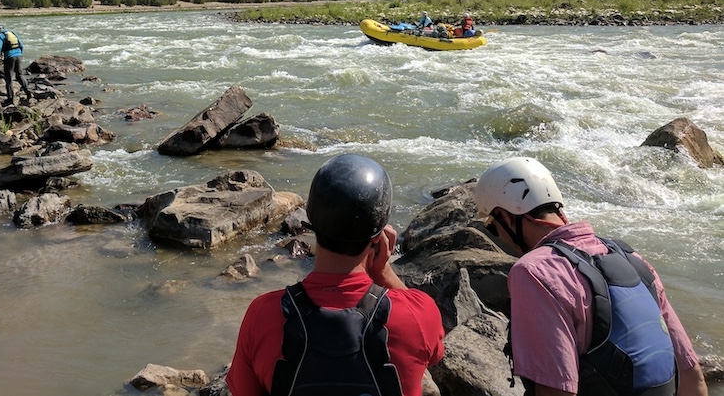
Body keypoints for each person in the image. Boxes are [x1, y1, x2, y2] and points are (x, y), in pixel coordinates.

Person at [474, 156, 708, 396]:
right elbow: (693, 377)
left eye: (493, 227)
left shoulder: (533, 272)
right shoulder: (631, 258)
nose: (498, 238)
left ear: (507, 216)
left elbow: (557, 390)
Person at [227, 154, 445, 396]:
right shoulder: (416, 314)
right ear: (380, 234)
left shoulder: (262, 314)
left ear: (311, 219)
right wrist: (384, 274)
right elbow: (434, 351)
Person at [0, 25, 32, 106]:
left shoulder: (0, 36)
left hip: (9, 57)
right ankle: (28, 92)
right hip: (19, 56)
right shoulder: (12, 33)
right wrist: (19, 54)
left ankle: (10, 99)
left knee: (9, 79)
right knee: (20, 75)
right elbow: (21, 45)